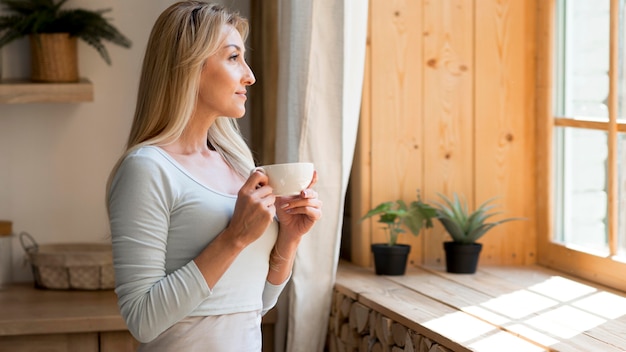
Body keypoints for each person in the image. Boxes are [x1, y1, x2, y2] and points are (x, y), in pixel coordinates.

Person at [105, 2, 322, 351]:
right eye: (234, 57)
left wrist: (289, 240)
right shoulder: (147, 169)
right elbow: (142, 320)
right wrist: (234, 238)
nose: (249, 75)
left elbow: (257, 304)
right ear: (189, 67)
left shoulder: (238, 166)